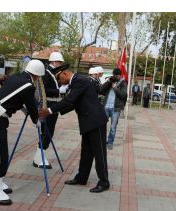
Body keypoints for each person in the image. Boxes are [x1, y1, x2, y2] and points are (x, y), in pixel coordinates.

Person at [0, 59, 44, 205]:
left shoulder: (15, 77)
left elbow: (15, 98)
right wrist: (36, 121)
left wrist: (27, 111)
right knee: (1, 155)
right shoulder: (28, 86)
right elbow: (31, 106)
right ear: (38, 75)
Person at [38, 65, 110, 193]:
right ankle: (81, 178)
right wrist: (55, 111)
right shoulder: (77, 80)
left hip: (95, 121)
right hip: (88, 121)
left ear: (65, 74)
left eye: (59, 79)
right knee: (86, 152)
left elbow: (70, 100)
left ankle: (104, 182)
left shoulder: (80, 80)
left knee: (99, 153)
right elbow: (74, 102)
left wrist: (49, 110)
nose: (60, 82)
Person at [32, 52, 64, 169]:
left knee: (48, 132)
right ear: (53, 62)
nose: (60, 64)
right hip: (48, 104)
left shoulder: (52, 73)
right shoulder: (46, 73)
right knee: (47, 132)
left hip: (53, 104)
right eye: (59, 62)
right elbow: (44, 90)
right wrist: (59, 91)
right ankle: (39, 157)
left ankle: (39, 156)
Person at [100, 68, 127, 150]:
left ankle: (110, 142)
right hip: (106, 107)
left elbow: (123, 95)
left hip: (116, 108)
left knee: (113, 127)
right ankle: (102, 141)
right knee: (102, 125)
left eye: (117, 76)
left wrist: (115, 88)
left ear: (120, 75)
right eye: (114, 75)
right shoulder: (110, 81)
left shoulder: (123, 83)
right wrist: (109, 81)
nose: (116, 77)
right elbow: (101, 90)